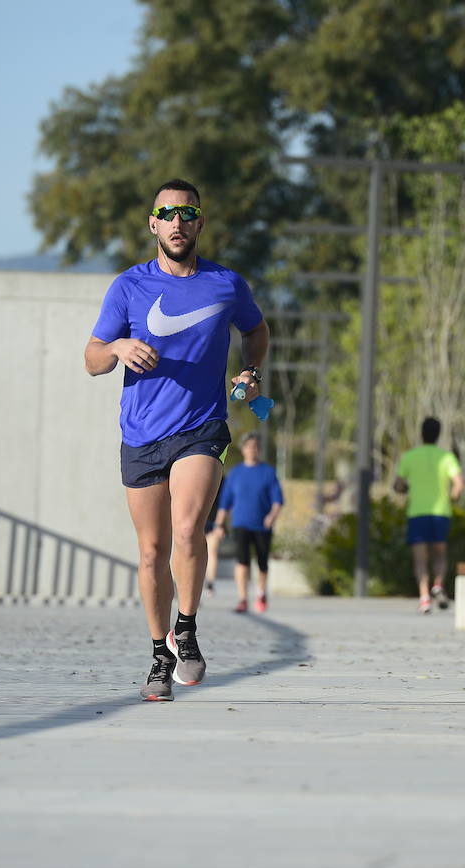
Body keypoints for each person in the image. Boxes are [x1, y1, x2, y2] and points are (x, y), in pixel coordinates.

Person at [84, 178, 270, 702]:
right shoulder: (128, 287)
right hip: (141, 434)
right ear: (153, 223)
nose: (177, 222)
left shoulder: (226, 285)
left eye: (187, 213)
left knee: (189, 530)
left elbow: (256, 331)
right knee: (151, 553)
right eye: (166, 213)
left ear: (200, 223)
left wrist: (251, 372)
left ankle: (185, 630)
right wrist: (118, 346)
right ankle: (158, 655)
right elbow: (91, 359)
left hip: (201, 427)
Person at [393, 417, 465, 613]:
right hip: (441, 513)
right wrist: (452, 497)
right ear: (438, 434)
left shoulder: (409, 456)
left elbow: (398, 485)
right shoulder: (447, 457)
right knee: (440, 554)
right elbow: (459, 484)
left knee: (420, 559)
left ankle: (424, 597)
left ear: (421, 433)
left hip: (417, 513)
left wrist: (405, 488)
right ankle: (438, 585)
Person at [214, 431, 284, 613]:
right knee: (242, 561)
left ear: (259, 450)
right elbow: (225, 502)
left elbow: (277, 499)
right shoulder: (235, 474)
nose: (252, 450)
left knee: (262, 562)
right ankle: (243, 598)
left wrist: (272, 516)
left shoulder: (268, 472)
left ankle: (261, 593)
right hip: (241, 523)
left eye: (255, 447)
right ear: (243, 449)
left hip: (263, 525)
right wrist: (219, 524)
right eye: (249, 447)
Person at [203, 488, 224, 598]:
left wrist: (220, 524)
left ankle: (210, 583)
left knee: (212, 552)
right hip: (200, 518)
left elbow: (225, 502)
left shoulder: (222, 480)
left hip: (213, 521)